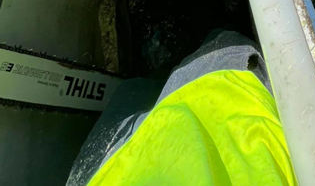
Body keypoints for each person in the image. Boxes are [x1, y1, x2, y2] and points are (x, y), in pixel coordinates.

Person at [68, 31, 297, 186]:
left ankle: (160, 70)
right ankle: (163, 69)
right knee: (227, 42)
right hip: (223, 105)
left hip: (108, 172)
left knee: (130, 94)